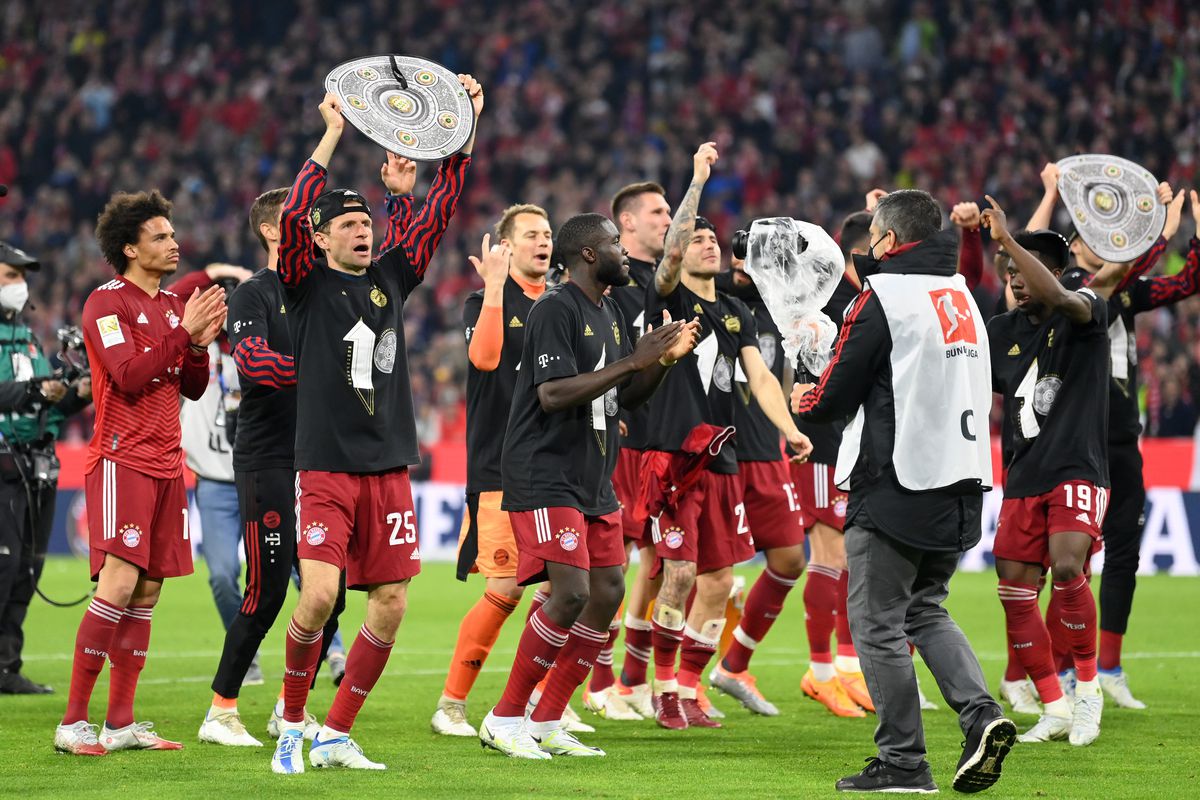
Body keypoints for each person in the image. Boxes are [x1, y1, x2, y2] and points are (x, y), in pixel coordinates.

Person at [269, 78, 481, 775]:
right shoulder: (302, 283)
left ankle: (335, 732)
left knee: (391, 603)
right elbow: (294, 213)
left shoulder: (391, 275)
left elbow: (438, 212)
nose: (363, 231)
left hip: (387, 467)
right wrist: (332, 133)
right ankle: (291, 723)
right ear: (321, 239)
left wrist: (461, 131)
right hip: (325, 466)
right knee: (320, 595)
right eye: (348, 225)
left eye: (367, 223)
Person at [793, 190, 1015, 793]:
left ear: (888, 241)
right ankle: (981, 715)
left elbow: (834, 395)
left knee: (877, 624)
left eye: (873, 239)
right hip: (964, 480)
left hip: (897, 481)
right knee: (924, 608)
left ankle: (903, 762)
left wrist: (804, 399)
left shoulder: (883, 296)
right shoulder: (960, 292)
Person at [199, 173, 409, 745]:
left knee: (328, 593)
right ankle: (221, 709)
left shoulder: (333, 289)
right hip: (270, 455)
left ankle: (287, 709)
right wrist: (324, 373)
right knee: (267, 590)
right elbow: (253, 364)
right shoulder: (256, 294)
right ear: (279, 231)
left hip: (324, 455)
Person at [479, 212, 698, 758]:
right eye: (616, 243)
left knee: (607, 593)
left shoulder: (610, 311)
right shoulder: (556, 308)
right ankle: (504, 717)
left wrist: (661, 362)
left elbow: (626, 396)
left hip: (593, 474)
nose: (625, 252)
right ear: (589, 255)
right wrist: (634, 361)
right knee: (572, 592)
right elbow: (552, 394)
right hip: (545, 470)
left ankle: (547, 720)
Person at [643, 143, 812, 730]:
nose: (708, 243)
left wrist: (789, 429)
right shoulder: (670, 296)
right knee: (679, 573)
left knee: (717, 581)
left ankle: (690, 686)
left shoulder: (737, 313)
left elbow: (761, 377)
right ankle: (662, 688)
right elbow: (669, 255)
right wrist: (696, 180)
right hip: (674, 455)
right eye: (697, 238)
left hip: (723, 456)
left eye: (712, 238)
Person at [54, 190, 227, 756]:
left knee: (148, 591)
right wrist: (184, 335)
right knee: (120, 583)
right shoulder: (106, 304)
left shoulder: (176, 306)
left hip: (168, 463)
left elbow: (193, 387)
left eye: (172, 234)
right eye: (160, 236)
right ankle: (73, 723)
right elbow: (128, 375)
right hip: (121, 459)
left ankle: (120, 722)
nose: (174, 243)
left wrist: (197, 345)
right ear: (130, 248)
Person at [431, 203, 552, 737]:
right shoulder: (482, 302)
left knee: (567, 586)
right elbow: (484, 359)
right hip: (500, 465)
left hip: (556, 466)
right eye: (531, 235)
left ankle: (542, 700)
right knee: (506, 588)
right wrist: (498, 288)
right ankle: (451, 704)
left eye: (547, 234)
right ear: (506, 247)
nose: (543, 242)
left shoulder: (562, 304)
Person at [704, 253, 809, 717]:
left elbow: (776, 377)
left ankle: (734, 665)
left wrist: (788, 427)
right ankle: (670, 682)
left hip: (766, 451)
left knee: (789, 559)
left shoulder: (785, 311)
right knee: (705, 573)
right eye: (738, 253)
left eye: (759, 256)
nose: (745, 262)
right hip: (719, 451)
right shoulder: (710, 297)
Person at [595, 180, 673, 720]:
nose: (667, 220)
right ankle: (597, 682)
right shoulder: (609, 282)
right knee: (612, 562)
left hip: (664, 439)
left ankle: (632, 679)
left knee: (659, 563)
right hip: (622, 436)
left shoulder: (662, 282)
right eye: (658, 212)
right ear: (627, 222)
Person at [0, 241, 91, 695]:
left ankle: (6, 667)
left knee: (26, 570)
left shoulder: (28, 337)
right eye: (10, 275)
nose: (20, 284)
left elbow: (47, 408)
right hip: (3, 463)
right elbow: (26, 393)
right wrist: (39, 389)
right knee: (4, 566)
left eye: (21, 276)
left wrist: (77, 394)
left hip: (36, 464)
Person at [791, 213, 870, 718]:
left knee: (848, 558)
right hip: (820, 443)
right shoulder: (827, 299)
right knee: (830, 553)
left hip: (850, 443)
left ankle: (847, 668)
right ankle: (821, 673)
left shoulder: (862, 299)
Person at [173, 263, 256, 685]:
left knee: (303, 569)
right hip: (215, 486)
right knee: (223, 576)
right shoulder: (193, 351)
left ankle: (332, 651)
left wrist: (247, 282)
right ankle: (245, 654)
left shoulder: (263, 344)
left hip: (261, 479)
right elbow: (172, 297)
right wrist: (214, 270)